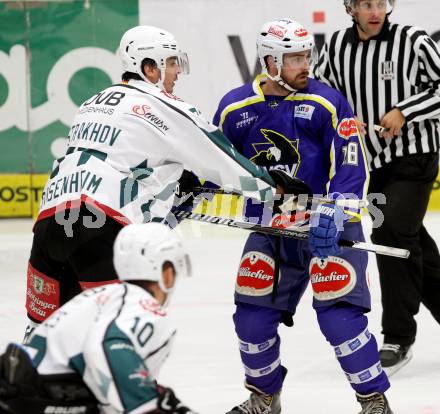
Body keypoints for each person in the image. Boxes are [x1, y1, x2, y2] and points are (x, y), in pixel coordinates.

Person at [24, 25, 298, 339]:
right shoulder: (162, 105)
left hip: (49, 225)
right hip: (98, 230)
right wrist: (272, 187)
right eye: (170, 63)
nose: (177, 72)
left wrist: (168, 188)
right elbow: (220, 159)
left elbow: (118, 161)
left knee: (41, 335)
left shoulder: (92, 102)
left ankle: (21, 389)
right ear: (148, 67)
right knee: (117, 339)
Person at [213, 18, 393, 414]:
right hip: (272, 227)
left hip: (328, 222)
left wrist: (339, 207)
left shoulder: (328, 101)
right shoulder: (234, 108)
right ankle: (265, 396)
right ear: (270, 61)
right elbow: (213, 163)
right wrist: (186, 191)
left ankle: (373, 399)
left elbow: (351, 163)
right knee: (252, 318)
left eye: (306, 56)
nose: (304, 65)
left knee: (340, 318)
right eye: (294, 57)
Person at [314, 0, 440, 376]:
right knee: (412, 242)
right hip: (373, 163)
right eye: (366, 4)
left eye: (381, 3)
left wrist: (406, 110)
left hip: (415, 155)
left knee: (390, 234)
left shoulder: (413, 41)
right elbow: (322, 93)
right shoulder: (336, 47)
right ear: (350, 7)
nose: (376, 11)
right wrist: (345, 116)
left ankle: (398, 336)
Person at [0, 222, 197, 414]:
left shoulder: (101, 297)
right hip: (32, 396)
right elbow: (105, 347)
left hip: (16, 386)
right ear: (168, 273)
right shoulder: (144, 306)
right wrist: (146, 404)